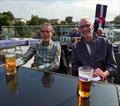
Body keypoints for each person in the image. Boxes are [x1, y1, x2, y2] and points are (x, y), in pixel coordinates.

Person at [71, 17, 117, 82]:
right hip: (85, 81)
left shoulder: (105, 42)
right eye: (82, 27)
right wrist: (89, 72)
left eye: (87, 25)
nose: (84, 28)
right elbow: (74, 66)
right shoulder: (76, 47)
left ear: (93, 26)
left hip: (104, 80)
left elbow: (112, 66)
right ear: (79, 29)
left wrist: (103, 74)